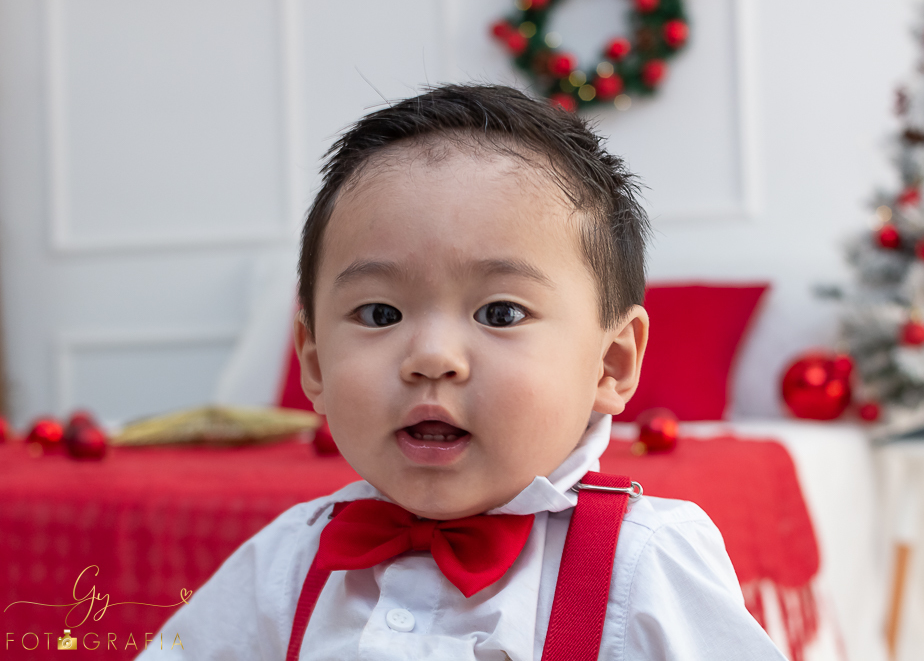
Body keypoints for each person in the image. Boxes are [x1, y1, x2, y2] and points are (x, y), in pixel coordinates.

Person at [137, 83, 785, 660]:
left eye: (500, 313)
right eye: (381, 313)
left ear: (610, 363)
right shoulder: (285, 562)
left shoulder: (643, 562)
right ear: (314, 363)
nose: (431, 357)